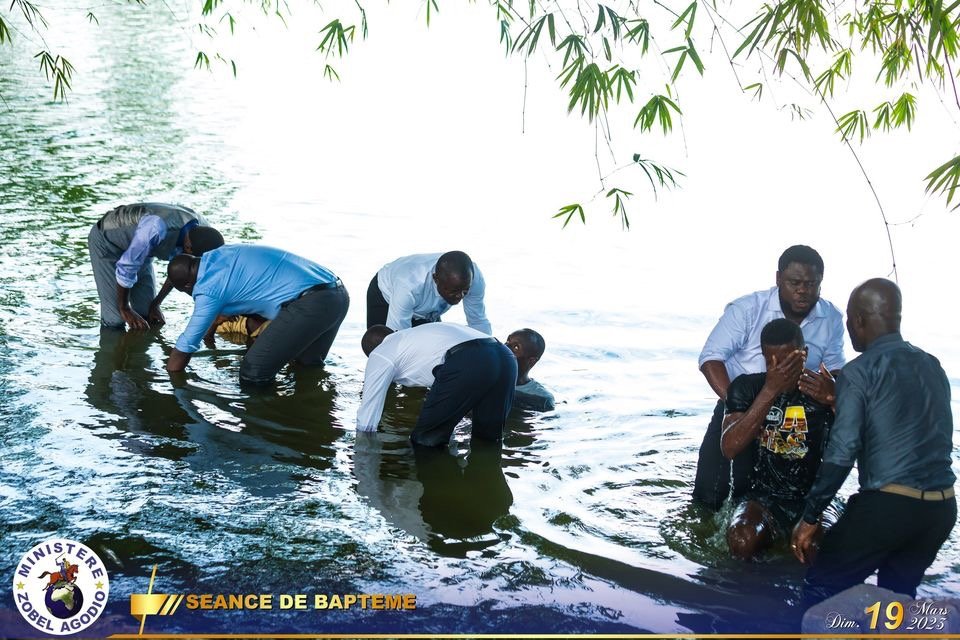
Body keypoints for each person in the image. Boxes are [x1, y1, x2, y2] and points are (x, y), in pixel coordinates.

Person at [792, 279, 956, 605]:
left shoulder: (858, 371)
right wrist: (838, 400)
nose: (849, 329)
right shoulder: (932, 365)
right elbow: (911, 430)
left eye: (849, 320)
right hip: (941, 511)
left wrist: (811, 517)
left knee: (821, 589)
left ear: (860, 320)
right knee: (895, 601)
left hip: (889, 509)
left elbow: (842, 452)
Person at [693, 245, 845, 510]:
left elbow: (834, 368)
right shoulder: (748, 309)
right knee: (711, 494)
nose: (803, 290)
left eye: (811, 284)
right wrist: (740, 408)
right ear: (778, 279)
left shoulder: (830, 317)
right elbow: (711, 359)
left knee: (784, 494)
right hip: (740, 402)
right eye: (794, 282)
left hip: (795, 413)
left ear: (821, 282)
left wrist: (832, 393)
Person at [720, 319, 834, 560]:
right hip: (759, 497)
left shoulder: (824, 391)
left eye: (792, 360)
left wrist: (835, 401)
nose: (784, 369)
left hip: (811, 498)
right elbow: (729, 447)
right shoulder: (747, 388)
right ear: (763, 356)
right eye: (775, 362)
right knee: (743, 538)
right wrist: (770, 390)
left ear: (805, 354)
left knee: (819, 550)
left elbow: (862, 446)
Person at [165, 245, 349, 385]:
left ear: (187, 286)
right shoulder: (222, 253)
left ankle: (263, 426)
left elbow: (185, 345)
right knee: (305, 366)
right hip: (336, 293)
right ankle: (302, 421)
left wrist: (173, 384)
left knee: (252, 372)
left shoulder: (208, 288)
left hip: (310, 304)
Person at [357, 323, 516, 446]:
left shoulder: (380, 353)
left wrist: (363, 451)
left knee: (425, 440)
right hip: (505, 356)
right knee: (487, 440)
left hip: (467, 359)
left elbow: (367, 418)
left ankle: (439, 485)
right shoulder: (415, 337)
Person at [87, 202, 223, 329]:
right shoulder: (155, 228)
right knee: (116, 319)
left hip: (142, 249)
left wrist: (156, 304)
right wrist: (124, 308)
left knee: (147, 315)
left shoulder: (206, 234)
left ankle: (139, 352)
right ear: (187, 248)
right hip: (108, 243)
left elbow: (179, 271)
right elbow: (127, 266)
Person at [366, 251, 492, 334]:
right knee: (381, 346)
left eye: (465, 291)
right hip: (385, 296)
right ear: (436, 279)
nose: (460, 296)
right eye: (454, 291)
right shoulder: (409, 285)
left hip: (426, 306)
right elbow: (397, 336)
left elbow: (478, 321)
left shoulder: (474, 279)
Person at [505, 328, 555, 411]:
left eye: (516, 347)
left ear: (531, 361)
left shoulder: (543, 399)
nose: (505, 347)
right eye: (507, 341)